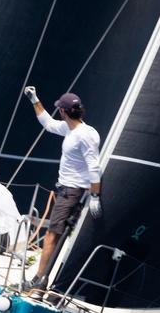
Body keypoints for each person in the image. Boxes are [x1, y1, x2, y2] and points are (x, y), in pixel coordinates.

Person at [22, 88, 102, 292]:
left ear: (64, 112)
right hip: (67, 191)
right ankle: (42, 279)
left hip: (72, 192)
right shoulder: (73, 129)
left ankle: (39, 282)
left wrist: (94, 196)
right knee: (54, 235)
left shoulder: (83, 135)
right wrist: (34, 100)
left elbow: (94, 167)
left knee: (51, 235)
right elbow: (48, 124)